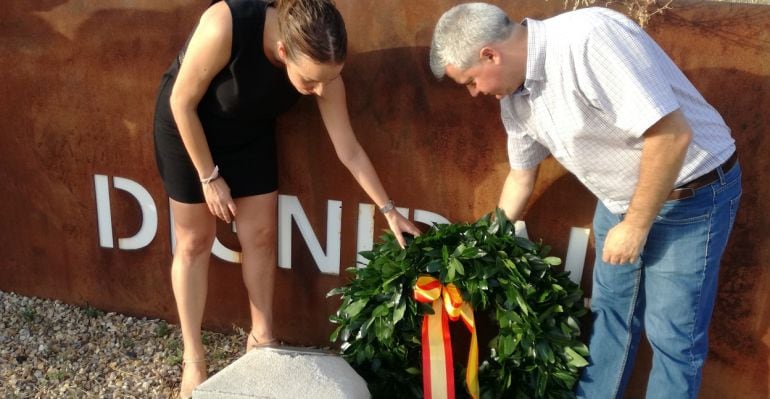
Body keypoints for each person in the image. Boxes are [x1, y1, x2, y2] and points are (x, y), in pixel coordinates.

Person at [429, 3, 741, 398]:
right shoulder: (514, 98)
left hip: (690, 192)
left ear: (489, 54)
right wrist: (481, 248)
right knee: (610, 315)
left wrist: (636, 225)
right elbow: (522, 176)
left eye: (471, 81)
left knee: (672, 335)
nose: (476, 93)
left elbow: (671, 135)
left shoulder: (588, 41)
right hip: (620, 200)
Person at [152, 0, 421, 397]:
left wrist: (389, 209)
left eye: (329, 80)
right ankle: (194, 357)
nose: (320, 91)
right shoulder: (226, 23)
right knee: (195, 240)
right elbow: (181, 102)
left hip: (250, 131)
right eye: (310, 82)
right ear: (283, 51)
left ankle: (262, 338)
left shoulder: (324, 71)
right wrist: (210, 178)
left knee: (260, 235)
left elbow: (349, 149)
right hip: (190, 128)